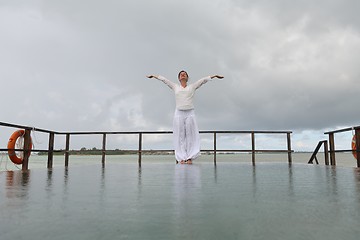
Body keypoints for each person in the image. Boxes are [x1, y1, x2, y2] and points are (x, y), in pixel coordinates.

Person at [146, 71, 224, 164]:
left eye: (185, 74)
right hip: (179, 113)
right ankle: (182, 157)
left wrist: (214, 76)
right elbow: (164, 80)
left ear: (187, 77)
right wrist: (154, 76)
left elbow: (203, 80)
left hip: (190, 112)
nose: (183, 74)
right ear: (179, 78)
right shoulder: (175, 87)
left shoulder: (192, 86)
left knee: (191, 135)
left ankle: (190, 157)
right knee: (180, 135)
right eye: (181, 74)